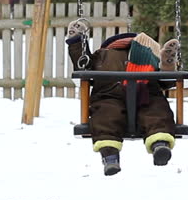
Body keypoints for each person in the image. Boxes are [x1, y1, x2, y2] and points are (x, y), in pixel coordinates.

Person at [66, 19, 182, 176]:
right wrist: (166, 69)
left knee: (105, 117)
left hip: (110, 94)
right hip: (143, 92)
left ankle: (110, 156)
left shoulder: (102, 54)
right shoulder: (149, 56)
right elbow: (166, 82)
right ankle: (159, 143)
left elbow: (82, 63)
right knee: (156, 112)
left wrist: (76, 42)